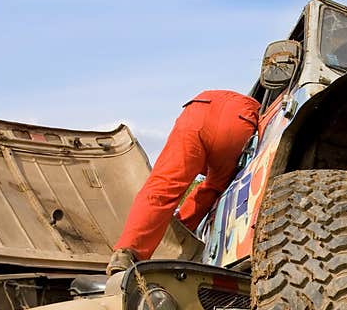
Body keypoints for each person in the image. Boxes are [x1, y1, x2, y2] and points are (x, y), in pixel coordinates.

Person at [106, 89, 260, 274]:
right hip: (241, 118)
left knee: (162, 185)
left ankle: (125, 253)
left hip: (200, 107)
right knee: (213, 188)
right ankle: (179, 232)